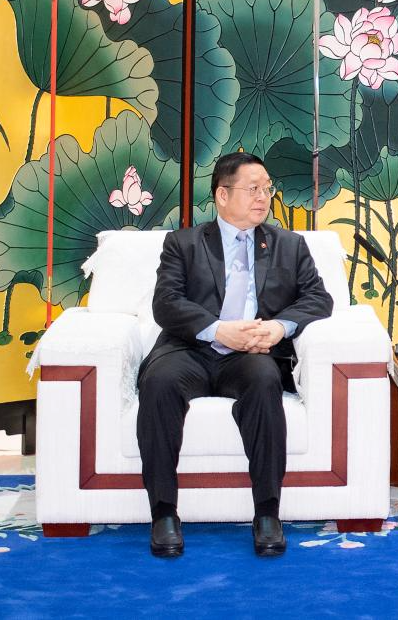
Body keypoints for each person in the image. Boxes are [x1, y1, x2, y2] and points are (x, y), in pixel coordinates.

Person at [137, 152, 333, 557]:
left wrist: (279, 327)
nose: (263, 197)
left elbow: (318, 298)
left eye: (267, 189)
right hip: (190, 348)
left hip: (252, 355)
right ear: (222, 195)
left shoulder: (289, 245)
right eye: (253, 189)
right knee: (159, 382)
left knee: (264, 382)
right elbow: (166, 303)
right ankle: (164, 513)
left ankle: (267, 513)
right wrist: (218, 329)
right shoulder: (183, 243)